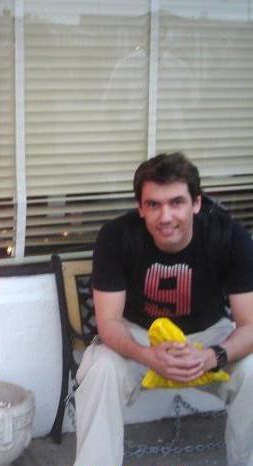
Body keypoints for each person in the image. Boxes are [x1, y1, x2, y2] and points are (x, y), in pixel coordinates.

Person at [74, 152, 253, 466]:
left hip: (208, 334)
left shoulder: (229, 236)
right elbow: (110, 322)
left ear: (196, 203)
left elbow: (250, 324)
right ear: (140, 208)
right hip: (138, 335)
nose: (165, 216)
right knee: (100, 368)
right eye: (153, 204)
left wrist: (213, 355)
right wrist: (147, 355)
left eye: (176, 202)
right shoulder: (117, 236)